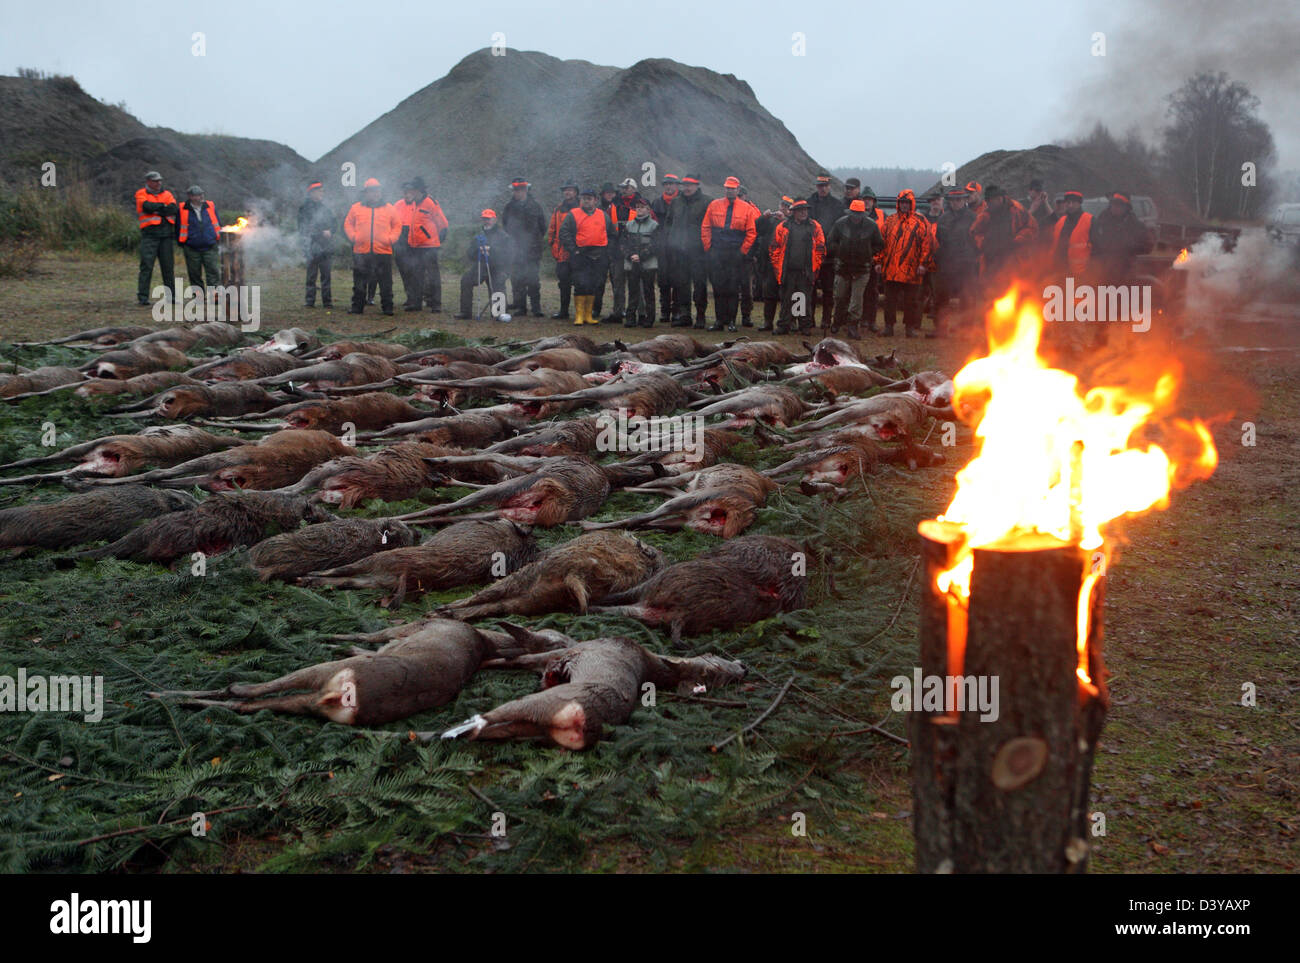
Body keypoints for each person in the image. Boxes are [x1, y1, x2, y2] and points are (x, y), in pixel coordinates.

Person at [700, 176, 758, 332]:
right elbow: (705, 227)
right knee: (718, 287)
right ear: (724, 189)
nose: (729, 190)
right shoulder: (714, 205)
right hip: (717, 252)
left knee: (733, 288)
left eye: (732, 188)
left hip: (735, 254)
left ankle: (731, 321)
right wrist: (709, 248)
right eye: (727, 188)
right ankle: (719, 321)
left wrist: (742, 252)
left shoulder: (747, 208)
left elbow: (751, 233)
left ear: (738, 190)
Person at [826, 198, 885, 339]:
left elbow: (880, 244)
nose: (856, 217)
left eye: (859, 214)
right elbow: (830, 241)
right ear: (850, 213)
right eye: (854, 214)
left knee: (856, 300)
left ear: (863, 214)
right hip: (842, 267)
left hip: (862, 269)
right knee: (839, 297)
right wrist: (839, 250)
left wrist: (869, 252)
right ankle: (837, 321)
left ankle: (853, 326)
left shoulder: (871, 226)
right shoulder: (840, 224)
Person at [879, 189, 935, 338]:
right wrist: (878, 261)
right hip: (891, 269)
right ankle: (888, 327)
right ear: (898, 204)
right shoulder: (890, 220)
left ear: (912, 204)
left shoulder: (921, 221)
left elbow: (927, 244)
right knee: (889, 300)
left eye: (907, 203)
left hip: (912, 270)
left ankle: (910, 328)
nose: (904, 205)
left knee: (912, 302)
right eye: (902, 202)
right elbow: (881, 242)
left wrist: (923, 264)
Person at [343, 177, 402, 315]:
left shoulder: (390, 208)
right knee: (359, 281)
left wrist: (391, 239)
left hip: (383, 251)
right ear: (365, 193)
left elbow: (397, 225)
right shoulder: (356, 208)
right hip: (361, 251)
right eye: (371, 191)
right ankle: (357, 307)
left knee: (385, 282)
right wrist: (353, 237)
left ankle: (387, 308)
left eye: (377, 191)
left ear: (380, 192)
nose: (375, 194)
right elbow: (348, 223)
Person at [559, 187, 617, 325]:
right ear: (580, 200)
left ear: (595, 200)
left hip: (599, 255)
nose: (586, 201)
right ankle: (579, 315)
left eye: (589, 198)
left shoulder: (603, 215)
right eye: (584, 198)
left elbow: (612, 235)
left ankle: (589, 315)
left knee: (595, 285)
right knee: (580, 284)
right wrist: (574, 250)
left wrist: (607, 251)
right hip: (580, 254)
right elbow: (564, 233)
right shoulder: (573, 214)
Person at [769, 198, 825, 335]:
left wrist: (814, 266)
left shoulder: (814, 226)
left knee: (803, 299)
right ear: (793, 212)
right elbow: (774, 248)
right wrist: (778, 266)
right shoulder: (783, 226)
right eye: (800, 210)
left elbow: (821, 248)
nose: (803, 213)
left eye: (805, 210)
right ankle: (784, 325)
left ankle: (804, 326)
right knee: (786, 299)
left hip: (805, 271)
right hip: (787, 270)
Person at [393, 178, 449, 312]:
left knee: (432, 276)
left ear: (419, 190)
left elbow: (443, 224)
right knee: (416, 275)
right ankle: (416, 303)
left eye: (412, 189)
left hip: (429, 247)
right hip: (415, 246)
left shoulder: (430, 203)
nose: (409, 192)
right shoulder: (412, 204)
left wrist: (435, 242)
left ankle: (436, 304)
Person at [970, 184, 1038, 294]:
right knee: (992, 292)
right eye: (987, 201)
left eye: (991, 201)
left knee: (1017, 290)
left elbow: (1032, 227)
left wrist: (1016, 241)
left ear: (999, 199)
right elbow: (974, 232)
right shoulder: (986, 214)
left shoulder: (1017, 210)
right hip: (992, 261)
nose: (988, 204)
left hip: (1015, 259)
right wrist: (983, 243)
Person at [664, 174, 710, 327]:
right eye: (684, 185)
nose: (687, 188)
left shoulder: (707, 202)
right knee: (682, 284)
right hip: (679, 250)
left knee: (699, 285)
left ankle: (701, 316)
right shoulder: (676, 202)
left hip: (699, 252)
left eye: (690, 185)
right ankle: (685, 315)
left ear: (697, 185)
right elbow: (668, 223)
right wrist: (671, 239)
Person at [933, 188, 979, 337]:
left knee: (967, 298)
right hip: (947, 263)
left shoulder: (973, 218)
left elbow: (977, 241)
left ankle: (966, 330)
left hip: (966, 263)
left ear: (965, 200)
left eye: (959, 199)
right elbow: (940, 238)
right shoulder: (943, 218)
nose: (956, 203)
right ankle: (941, 329)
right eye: (953, 200)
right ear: (949, 202)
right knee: (941, 298)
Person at [456, 209, 515, 320]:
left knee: (497, 283)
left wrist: (491, 251)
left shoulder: (503, 236)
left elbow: (509, 255)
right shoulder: (479, 235)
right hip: (482, 266)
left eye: (488, 219)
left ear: (494, 219)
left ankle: (499, 313)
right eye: (484, 219)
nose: (486, 221)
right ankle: (465, 312)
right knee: (466, 280)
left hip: (499, 268)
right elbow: (470, 254)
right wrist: (477, 250)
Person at [501, 177, 547, 317]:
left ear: (526, 190)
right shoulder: (509, 207)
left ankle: (536, 308)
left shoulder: (536, 206)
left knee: (533, 279)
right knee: (517, 279)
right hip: (515, 250)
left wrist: (533, 241)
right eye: (516, 190)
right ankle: (521, 307)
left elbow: (543, 227)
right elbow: (505, 226)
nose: (518, 192)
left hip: (532, 250)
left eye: (521, 190)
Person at [806, 173, 845, 328]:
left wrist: (832, 249)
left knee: (829, 290)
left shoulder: (837, 205)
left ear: (829, 186)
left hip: (829, 257)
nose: (822, 188)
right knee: (809, 290)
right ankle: (808, 319)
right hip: (810, 256)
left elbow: (840, 231)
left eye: (825, 186)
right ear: (816, 186)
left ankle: (826, 319)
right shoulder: (808, 203)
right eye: (820, 186)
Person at [134, 170, 178, 306]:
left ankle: (171, 297)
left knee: (168, 267)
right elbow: (146, 207)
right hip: (150, 235)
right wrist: (162, 208)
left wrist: (157, 208)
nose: (159, 183)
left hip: (166, 235)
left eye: (160, 180)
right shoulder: (141, 193)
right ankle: (143, 297)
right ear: (148, 182)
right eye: (155, 181)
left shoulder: (167, 194)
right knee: (146, 266)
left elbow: (173, 209)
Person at [176, 185, 221, 298]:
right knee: (194, 273)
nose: (201, 197)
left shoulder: (210, 206)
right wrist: (183, 243)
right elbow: (177, 227)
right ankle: (198, 296)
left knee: (213, 271)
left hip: (210, 245)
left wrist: (217, 239)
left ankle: (214, 295)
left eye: (201, 194)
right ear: (190, 196)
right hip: (191, 247)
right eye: (197, 195)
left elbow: (218, 223)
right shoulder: (182, 209)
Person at [751, 196, 789, 332]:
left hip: (787, 265)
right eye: (782, 205)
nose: (784, 208)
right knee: (769, 294)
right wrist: (763, 217)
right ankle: (768, 322)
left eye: (787, 206)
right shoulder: (771, 221)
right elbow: (755, 228)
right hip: (770, 264)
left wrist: (785, 220)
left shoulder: (793, 223)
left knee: (793, 294)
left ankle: (794, 322)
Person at [622, 196, 661, 328]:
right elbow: (623, 244)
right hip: (632, 263)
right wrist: (630, 255)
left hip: (648, 264)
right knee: (632, 291)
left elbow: (656, 245)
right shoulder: (629, 225)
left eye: (643, 207)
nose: (640, 209)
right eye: (637, 207)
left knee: (648, 292)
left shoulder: (654, 225)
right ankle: (630, 318)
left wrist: (641, 256)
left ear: (648, 210)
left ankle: (649, 318)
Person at [297, 181, 335, 308]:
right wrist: (320, 233)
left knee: (326, 275)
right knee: (311, 276)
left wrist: (331, 231)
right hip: (311, 246)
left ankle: (327, 301)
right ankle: (309, 301)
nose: (322, 193)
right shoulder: (304, 209)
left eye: (322, 191)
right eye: (319, 191)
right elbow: (303, 228)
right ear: (312, 193)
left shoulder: (326, 208)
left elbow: (334, 224)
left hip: (326, 247)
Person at [547, 182, 580, 320]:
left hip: (578, 251)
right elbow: (552, 229)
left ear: (576, 193)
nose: (568, 193)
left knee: (580, 282)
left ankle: (581, 312)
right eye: (566, 190)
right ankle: (563, 311)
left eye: (570, 190)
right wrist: (553, 246)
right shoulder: (558, 209)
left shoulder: (582, 208)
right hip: (561, 253)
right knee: (564, 283)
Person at [651, 174, 680, 322]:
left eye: (671, 184)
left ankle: (676, 311)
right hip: (662, 246)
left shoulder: (681, 202)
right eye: (666, 184)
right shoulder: (656, 203)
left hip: (678, 246)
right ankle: (664, 311)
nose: (669, 186)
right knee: (663, 281)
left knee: (677, 280)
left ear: (677, 185)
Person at [1049, 190, 1091, 276]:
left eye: (1074, 202)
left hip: (1082, 275)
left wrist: (1091, 272)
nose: (1071, 205)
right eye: (1068, 202)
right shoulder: (1060, 222)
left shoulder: (1090, 221)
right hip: (1060, 272)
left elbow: (1098, 251)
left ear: (1079, 203)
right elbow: (1055, 247)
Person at [737, 184, 760, 326]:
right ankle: (729, 317)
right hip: (731, 255)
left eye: (740, 196)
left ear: (745, 196)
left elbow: (758, 235)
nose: (738, 198)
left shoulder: (753, 211)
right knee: (730, 287)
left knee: (746, 288)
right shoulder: (729, 208)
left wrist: (754, 253)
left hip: (748, 256)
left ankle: (746, 316)